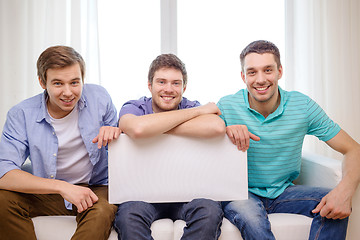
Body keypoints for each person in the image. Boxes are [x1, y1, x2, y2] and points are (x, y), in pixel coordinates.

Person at [217, 40, 360, 240]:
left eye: (268, 70)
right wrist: (224, 129)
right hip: (241, 193)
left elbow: (354, 149)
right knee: (254, 223)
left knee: (334, 206)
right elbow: (203, 143)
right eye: (252, 72)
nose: (260, 79)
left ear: (279, 72)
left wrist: (345, 191)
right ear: (243, 76)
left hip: (284, 192)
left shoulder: (302, 106)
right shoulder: (226, 105)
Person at [0, 45, 120, 240]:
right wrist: (61, 187)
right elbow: (3, 172)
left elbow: (123, 144)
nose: (68, 93)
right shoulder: (21, 114)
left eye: (74, 82)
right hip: (49, 191)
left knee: (102, 212)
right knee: (2, 200)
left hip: (95, 188)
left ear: (83, 79)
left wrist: (117, 131)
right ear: (42, 82)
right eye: (58, 84)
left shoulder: (100, 98)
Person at [112, 53, 225, 240]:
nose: (168, 89)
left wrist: (155, 127)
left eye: (176, 83)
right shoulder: (134, 107)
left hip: (188, 195)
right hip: (143, 196)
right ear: (150, 86)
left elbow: (217, 127)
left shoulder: (190, 104)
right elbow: (137, 129)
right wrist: (198, 112)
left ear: (184, 87)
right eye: (161, 82)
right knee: (127, 215)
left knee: (210, 210)